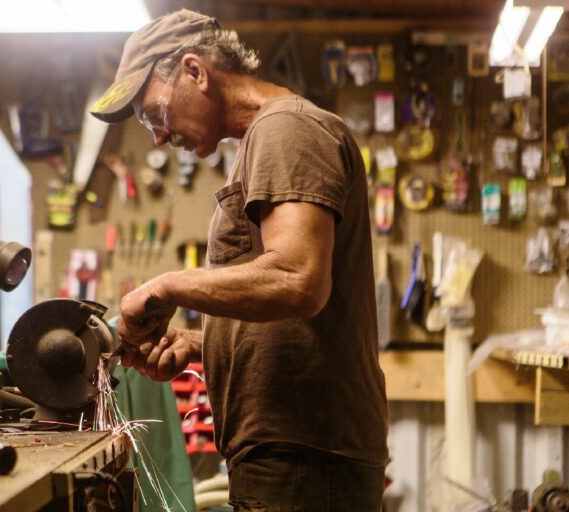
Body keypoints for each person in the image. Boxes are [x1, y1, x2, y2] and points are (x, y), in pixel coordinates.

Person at [89, 9, 389, 511]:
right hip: (295, 453)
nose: (158, 137)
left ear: (195, 71)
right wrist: (204, 343)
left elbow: (298, 280)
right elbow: (298, 317)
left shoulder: (285, 129)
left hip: (303, 457)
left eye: (154, 114)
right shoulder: (269, 136)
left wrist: (165, 287)